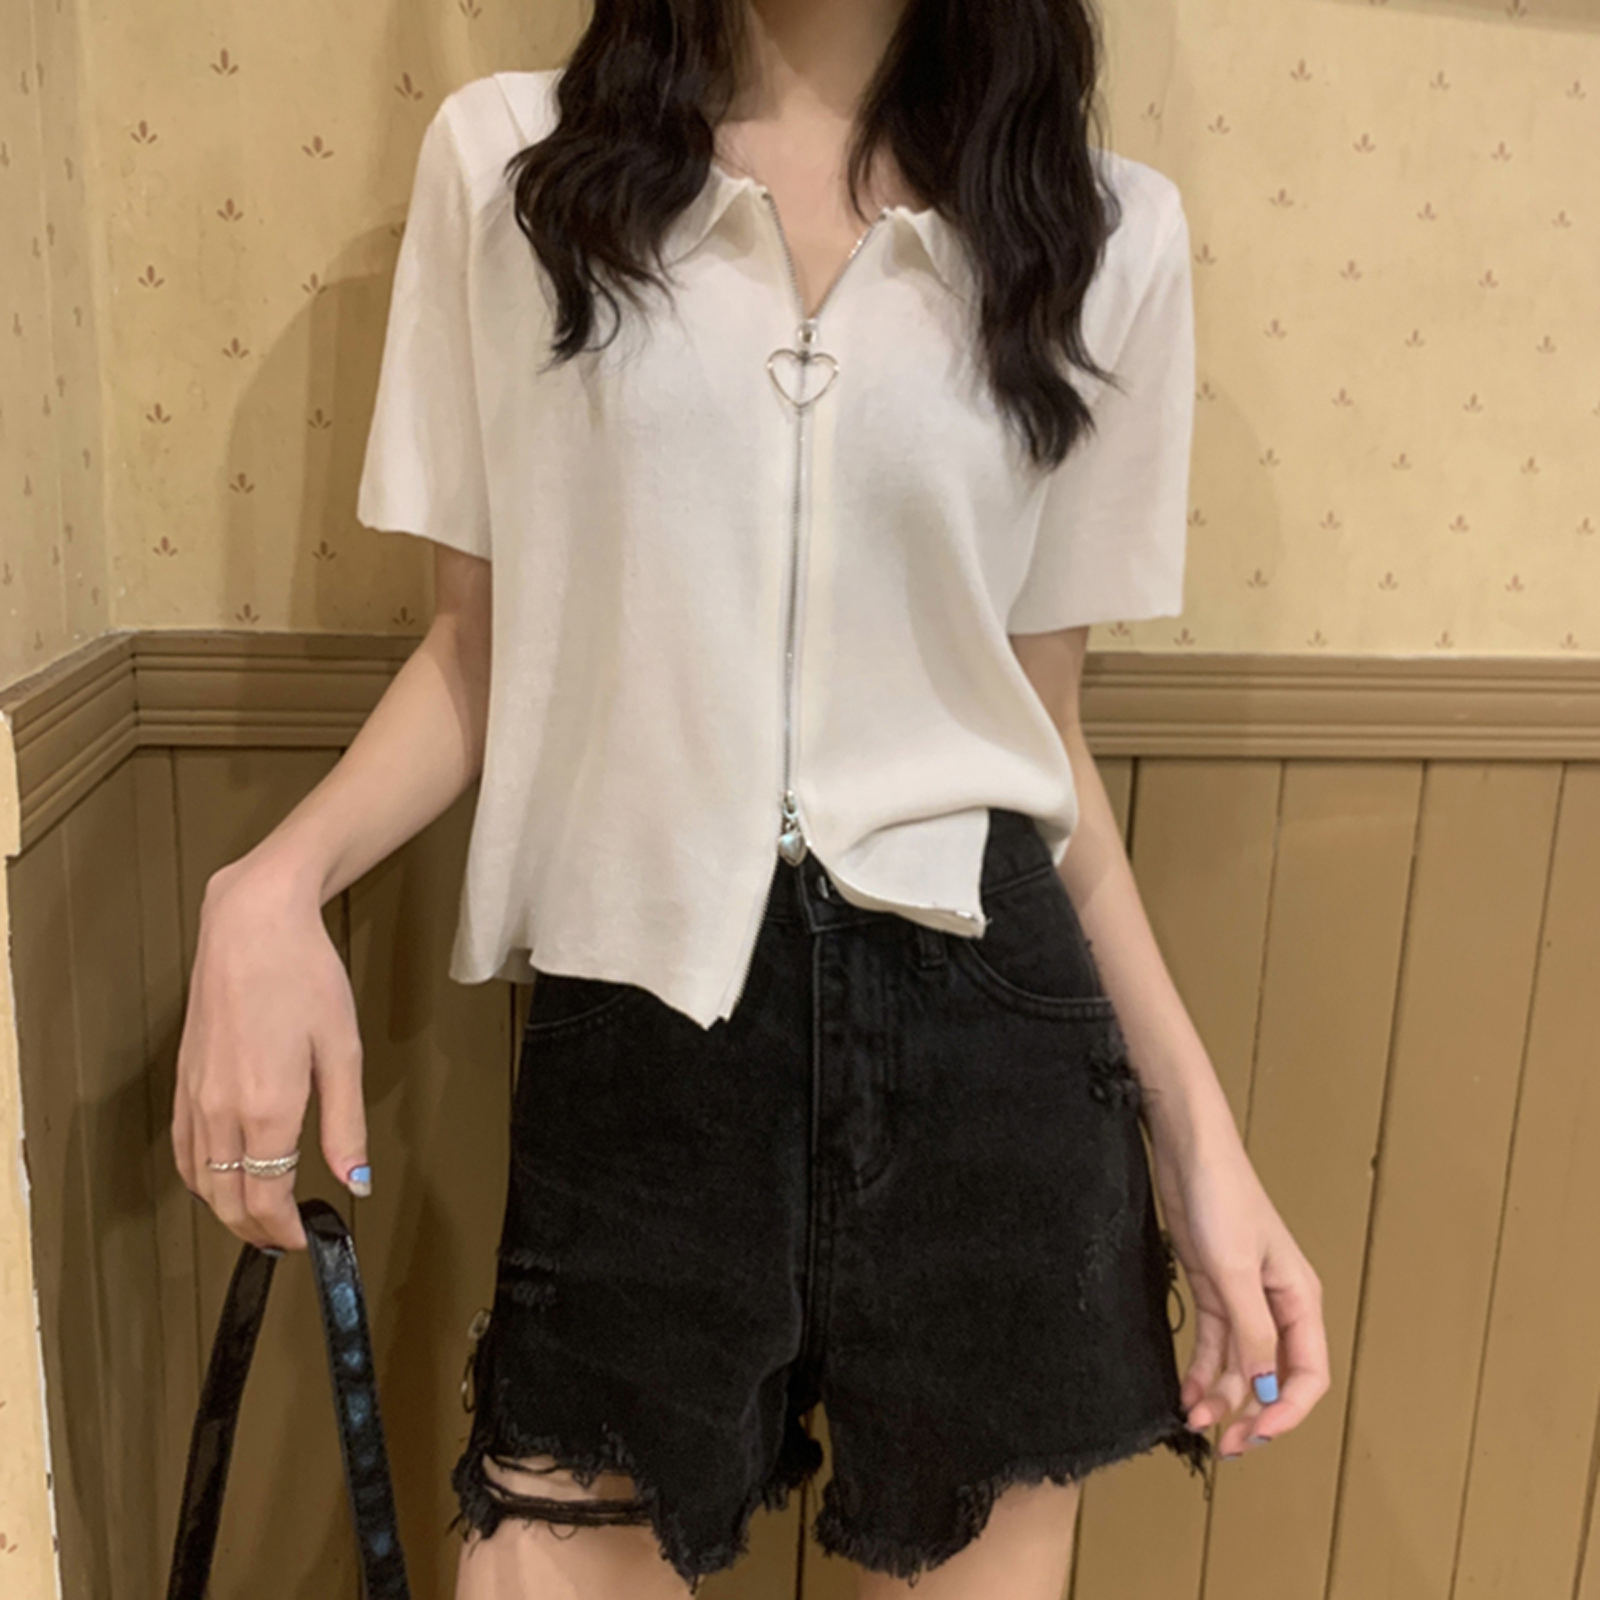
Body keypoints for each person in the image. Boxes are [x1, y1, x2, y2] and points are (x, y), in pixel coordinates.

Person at [172, 1, 1331, 1596]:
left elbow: (1042, 742)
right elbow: (482, 648)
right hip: (646, 1039)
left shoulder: (1101, 234)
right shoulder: (515, 172)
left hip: (989, 1040)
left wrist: (1201, 1143)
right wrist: (276, 878)